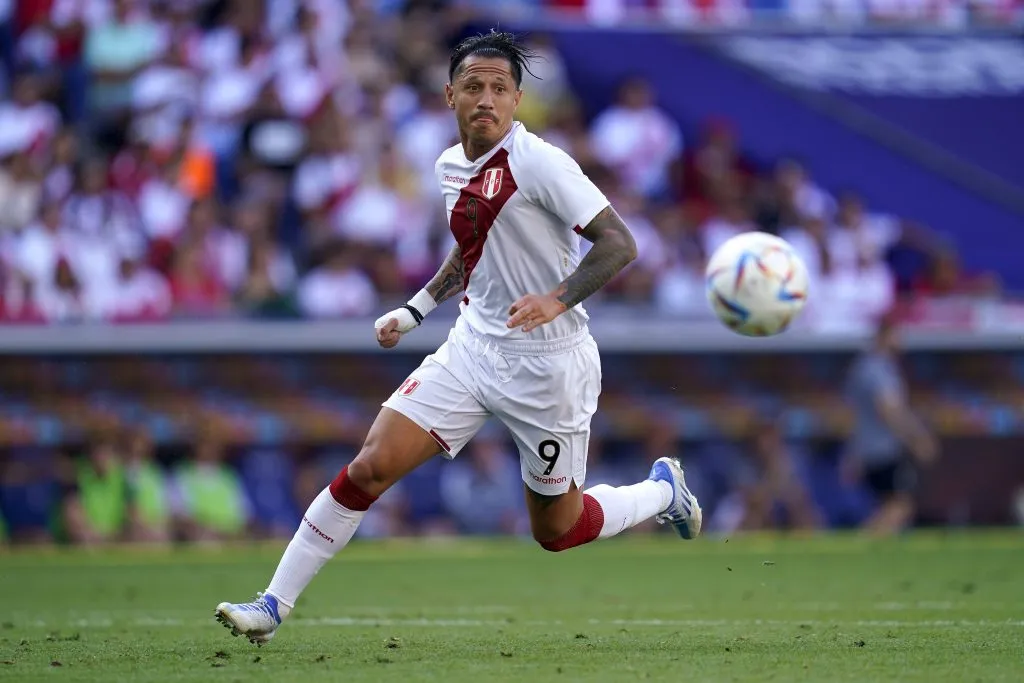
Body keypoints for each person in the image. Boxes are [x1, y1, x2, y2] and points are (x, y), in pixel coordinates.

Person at [214, 30, 701, 647]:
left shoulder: (540, 163)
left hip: (549, 366)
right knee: (369, 467)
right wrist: (415, 311)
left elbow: (619, 244)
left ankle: (660, 491)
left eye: (500, 88)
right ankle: (272, 605)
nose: (486, 99)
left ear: (518, 100)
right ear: (450, 95)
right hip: (473, 349)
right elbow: (472, 252)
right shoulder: (450, 165)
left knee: (558, 530)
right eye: (474, 86)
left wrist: (556, 299)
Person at [842, 314, 938, 535]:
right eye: (897, 334)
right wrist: (917, 438)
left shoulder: (867, 366)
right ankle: (863, 542)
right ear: (885, 335)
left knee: (892, 504)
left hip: (868, 448)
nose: (901, 340)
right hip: (881, 449)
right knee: (901, 505)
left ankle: (867, 546)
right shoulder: (877, 368)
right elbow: (889, 410)